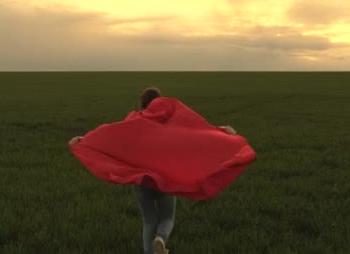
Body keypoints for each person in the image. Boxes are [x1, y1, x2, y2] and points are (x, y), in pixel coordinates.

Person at [69, 87, 238, 254]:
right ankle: (161, 239)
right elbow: (195, 131)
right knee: (167, 218)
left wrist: (84, 140)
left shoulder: (134, 120)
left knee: (149, 220)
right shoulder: (169, 120)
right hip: (164, 178)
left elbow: (111, 135)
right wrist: (222, 130)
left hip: (141, 179)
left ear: (142, 103)